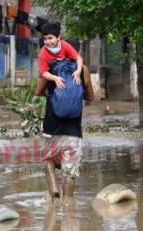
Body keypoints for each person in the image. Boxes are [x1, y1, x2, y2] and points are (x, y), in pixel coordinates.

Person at [35, 22, 94, 203]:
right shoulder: (83, 70)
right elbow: (90, 97)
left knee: (48, 159)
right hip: (73, 130)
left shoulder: (50, 67)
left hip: (51, 126)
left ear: (59, 40)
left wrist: (51, 81)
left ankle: (53, 190)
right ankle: (68, 205)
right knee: (70, 174)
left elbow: (37, 92)